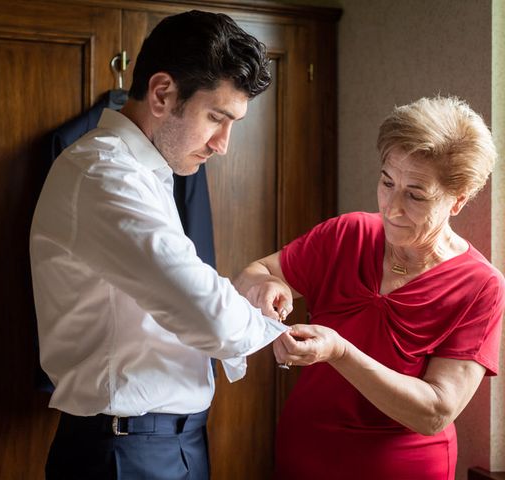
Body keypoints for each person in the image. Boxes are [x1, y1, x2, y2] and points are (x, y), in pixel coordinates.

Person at [29, 10, 292, 480]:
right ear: (162, 93)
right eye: (216, 117)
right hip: (125, 453)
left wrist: (243, 301)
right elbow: (206, 313)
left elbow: (184, 287)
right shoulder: (104, 175)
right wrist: (269, 328)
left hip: (170, 443)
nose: (222, 144)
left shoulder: (146, 174)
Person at [235, 96, 505, 480]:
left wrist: (340, 352)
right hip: (301, 455)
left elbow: (435, 411)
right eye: (386, 182)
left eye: (415, 195)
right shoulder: (348, 233)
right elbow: (253, 273)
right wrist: (266, 288)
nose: (391, 208)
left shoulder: (481, 286)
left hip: (402, 468)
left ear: (457, 201)